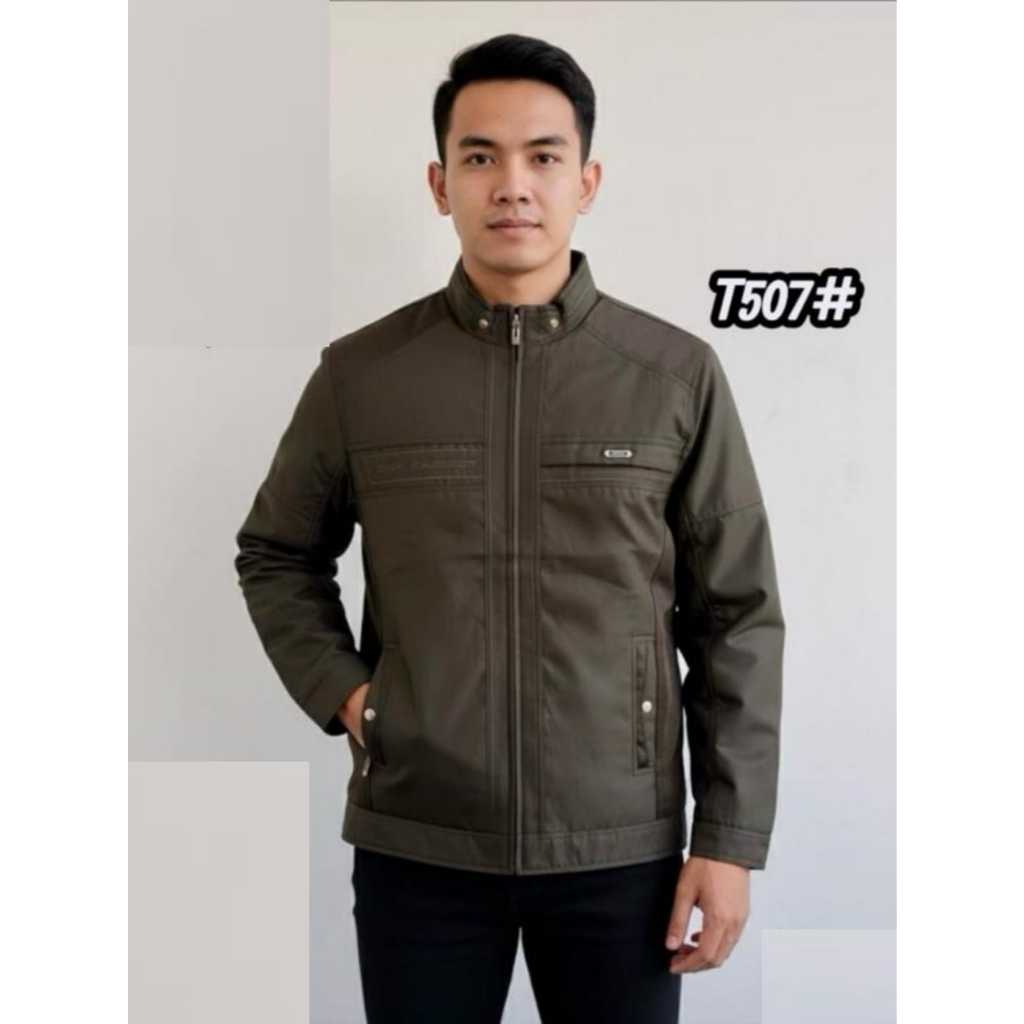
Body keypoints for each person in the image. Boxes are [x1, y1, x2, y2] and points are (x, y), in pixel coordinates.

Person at [234, 32, 785, 1024]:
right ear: (440, 183)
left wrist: (729, 840)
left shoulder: (672, 375)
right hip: (420, 844)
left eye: (543, 156)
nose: (513, 185)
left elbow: (735, 617)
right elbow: (276, 552)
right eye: (481, 157)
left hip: (620, 851)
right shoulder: (363, 376)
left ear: (587, 181)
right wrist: (353, 697)